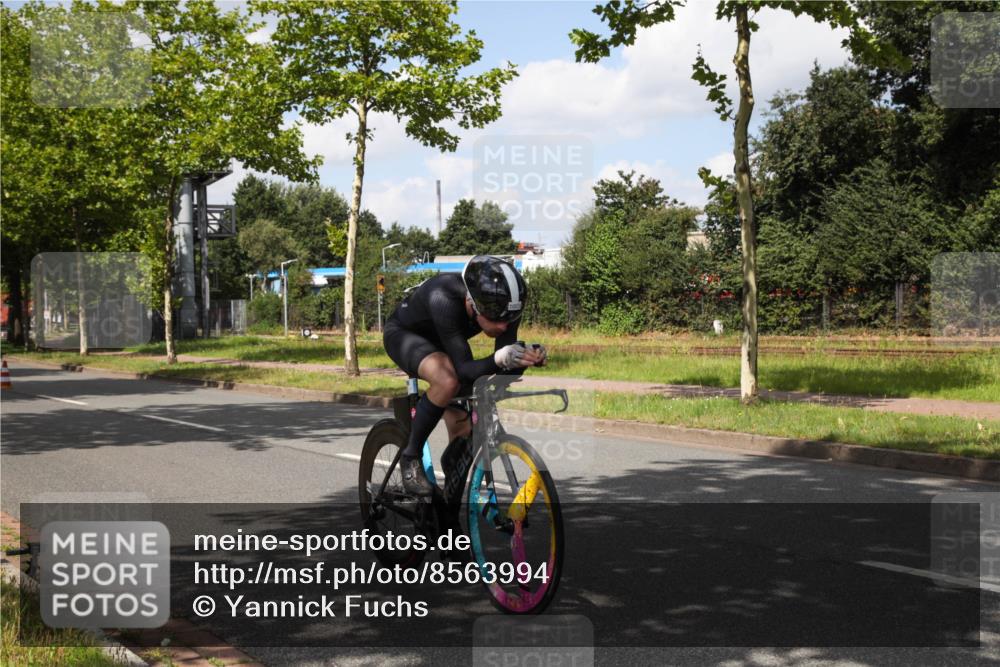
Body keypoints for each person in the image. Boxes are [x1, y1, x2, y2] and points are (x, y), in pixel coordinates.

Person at [383, 255, 547, 496]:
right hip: (404, 335)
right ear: (473, 302)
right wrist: (499, 358)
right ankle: (411, 456)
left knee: (467, 420)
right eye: (495, 318)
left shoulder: (506, 305)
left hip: (446, 340)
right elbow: (464, 368)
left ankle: (449, 509)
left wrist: (526, 358)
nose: (503, 326)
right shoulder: (444, 297)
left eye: (509, 319)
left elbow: (500, 372)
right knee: (448, 379)